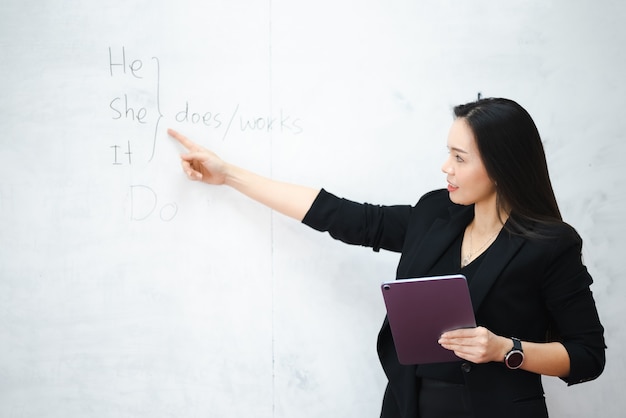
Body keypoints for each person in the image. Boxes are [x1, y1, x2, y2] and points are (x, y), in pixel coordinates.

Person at [168, 97, 606, 418]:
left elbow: (588, 356)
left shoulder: (552, 244)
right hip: (408, 408)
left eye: (459, 158)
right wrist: (230, 176)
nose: (445, 168)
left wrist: (504, 350)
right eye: (447, 154)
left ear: (500, 166)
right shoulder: (436, 213)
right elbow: (342, 216)